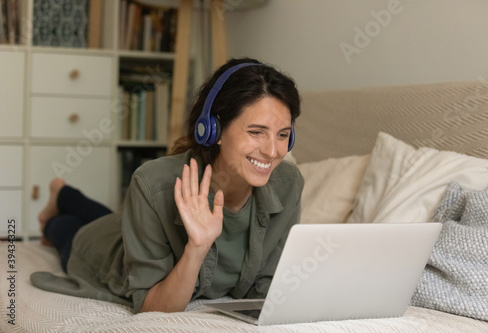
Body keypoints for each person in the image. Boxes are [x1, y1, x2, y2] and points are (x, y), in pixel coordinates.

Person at [31, 57, 304, 314]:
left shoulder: (288, 184)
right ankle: (59, 201)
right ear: (215, 129)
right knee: (68, 228)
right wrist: (198, 247)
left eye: (283, 135)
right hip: (103, 249)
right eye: (256, 132)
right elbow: (154, 308)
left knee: (112, 218)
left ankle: (63, 193)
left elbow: (269, 284)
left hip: (130, 225)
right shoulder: (152, 184)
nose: (271, 151)